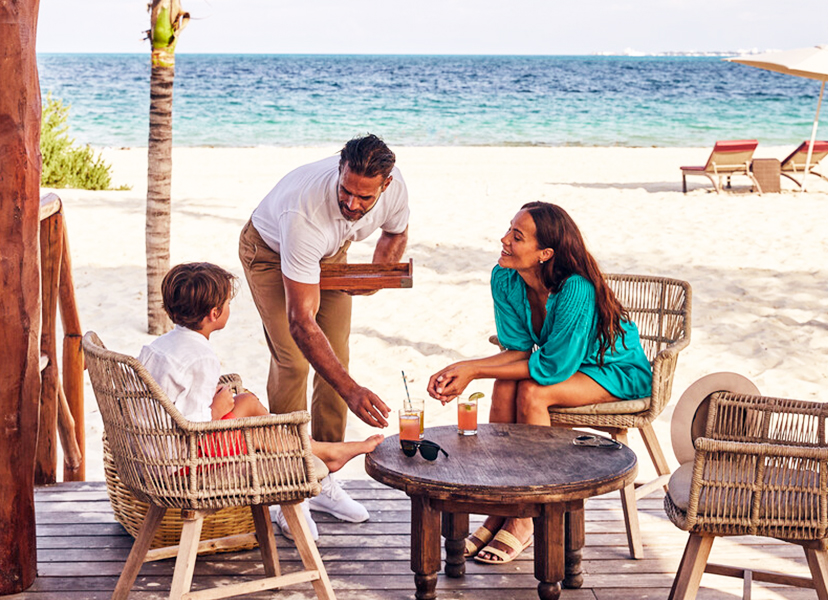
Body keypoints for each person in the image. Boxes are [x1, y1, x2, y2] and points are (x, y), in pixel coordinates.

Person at [427, 201, 652, 565]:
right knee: (504, 386)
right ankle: (502, 504)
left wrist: (475, 372)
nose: (504, 240)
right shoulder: (505, 278)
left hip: (613, 368)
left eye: (517, 237)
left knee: (533, 392)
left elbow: (552, 367)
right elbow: (517, 349)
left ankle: (527, 516)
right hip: (566, 365)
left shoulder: (576, 288)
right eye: (509, 230)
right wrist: (465, 367)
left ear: (545, 253)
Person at [138, 262, 383, 542]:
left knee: (247, 404)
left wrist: (217, 400)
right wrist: (218, 408)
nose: (228, 308)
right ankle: (321, 451)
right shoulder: (201, 356)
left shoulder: (157, 346)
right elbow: (194, 426)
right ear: (214, 313)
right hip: (181, 462)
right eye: (227, 303)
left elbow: (165, 403)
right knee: (252, 419)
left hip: (153, 452)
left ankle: (321, 450)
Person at [239, 134, 409, 526]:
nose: (352, 204)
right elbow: (302, 322)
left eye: (364, 197)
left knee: (337, 359)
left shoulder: (396, 189)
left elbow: (395, 232)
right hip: (270, 253)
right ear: (339, 171)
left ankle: (324, 476)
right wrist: (352, 391)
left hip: (331, 253)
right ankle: (289, 486)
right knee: (294, 361)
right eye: (346, 191)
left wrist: (375, 276)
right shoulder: (305, 215)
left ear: (385, 185)